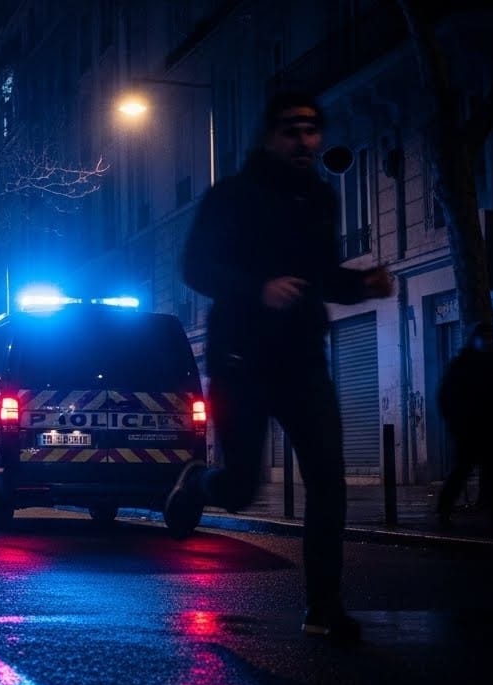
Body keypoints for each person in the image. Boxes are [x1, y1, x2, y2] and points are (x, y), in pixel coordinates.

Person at [167, 91, 395, 643]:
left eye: (313, 130)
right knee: (241, 488)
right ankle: (199, 483)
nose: (305, 141)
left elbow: (319, 274)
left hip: (302, 357)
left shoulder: (319, 198)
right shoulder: (232, 196)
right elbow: (194, 266)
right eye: (292, 130)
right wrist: (257, 289)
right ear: (269, 136)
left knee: (326, 479)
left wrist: (359, 284)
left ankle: (323, 606)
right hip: (241, 356)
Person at [435, 320, 493, 529]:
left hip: (492, 428)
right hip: (468, 430)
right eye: (484, 337)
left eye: (490, 337)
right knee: (462, 471)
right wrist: (456, 423)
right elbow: (445, 396)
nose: (488, 341)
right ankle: (444, 510)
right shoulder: (462, 364)